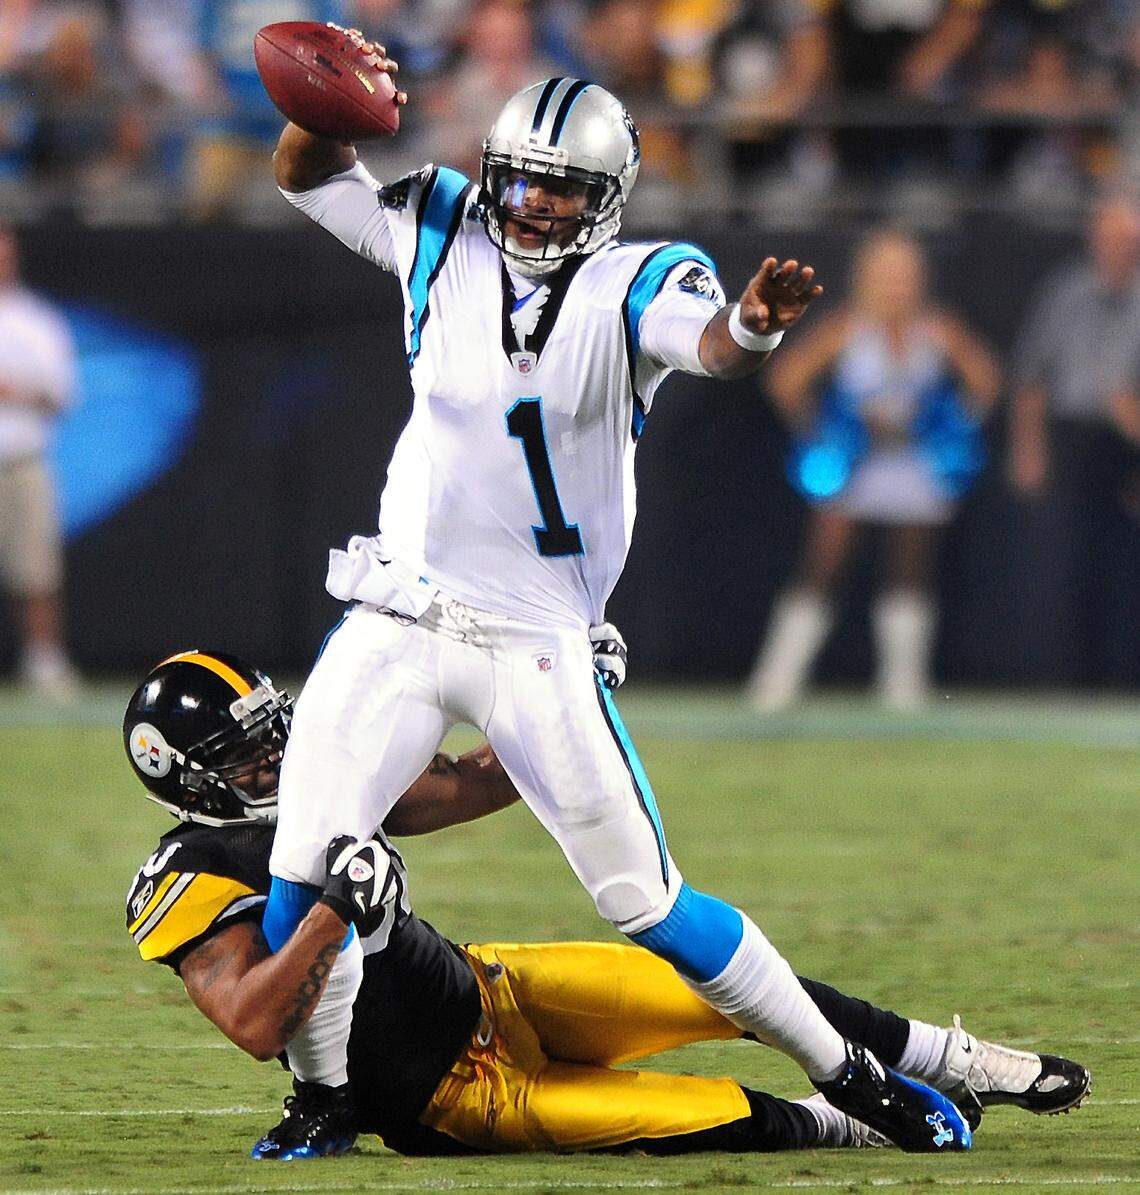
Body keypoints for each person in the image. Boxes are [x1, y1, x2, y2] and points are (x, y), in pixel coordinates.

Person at [263, 30, 971, 1153]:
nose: (535, 206)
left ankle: (851, 1069)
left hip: (537, 636)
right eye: (524, 183)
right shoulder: (442, 227)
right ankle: (325, 1095)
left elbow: (711, 346)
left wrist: (753, 324)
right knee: (302, 857)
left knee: (642, 898)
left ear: (607, 198)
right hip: (403, 609)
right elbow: (305, 173)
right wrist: (329, 109)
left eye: (562, 190)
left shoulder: (635, 276)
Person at [122, 650, 1091, 1159]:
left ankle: (962, 1057)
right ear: (188, 780)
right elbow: (253, 1021)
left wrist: (564, 697)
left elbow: (469, 784)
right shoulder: (192, 869)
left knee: (738, 992)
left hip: (490, 984)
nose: (275, 759)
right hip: (455, 1097)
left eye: (273, 735)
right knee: (713, 1116)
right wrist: (332, 908)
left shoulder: (316, 783)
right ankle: (858, 1123)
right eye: (246, 755)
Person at [747, 228, 1000, 710]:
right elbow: (786, 380)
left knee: (910, 567)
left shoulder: (937, 328)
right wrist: (826, 429)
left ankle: (903, 684)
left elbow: (985, 380)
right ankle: (777, 680)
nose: (895, 286)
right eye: (885, 275)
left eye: (904, 275)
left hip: (913, 462)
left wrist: (945, 427)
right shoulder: (848, 327)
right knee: (824, 562)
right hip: (855, 462)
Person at [1008, 193, 1140, 685]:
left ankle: (1122, 680)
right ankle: (1064, 681)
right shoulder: (1067, 292)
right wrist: (1028, 452)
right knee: (1066, 566)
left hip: (1127, 445)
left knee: (1123, 569)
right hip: (1072, 442)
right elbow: (1031, 378)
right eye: (1113, 237)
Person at [0, 222, 80, 696]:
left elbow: (61, 392)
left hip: (23, 457)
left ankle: (44, 660)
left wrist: (14, 389)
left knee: (37, 567)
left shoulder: (36, 320)